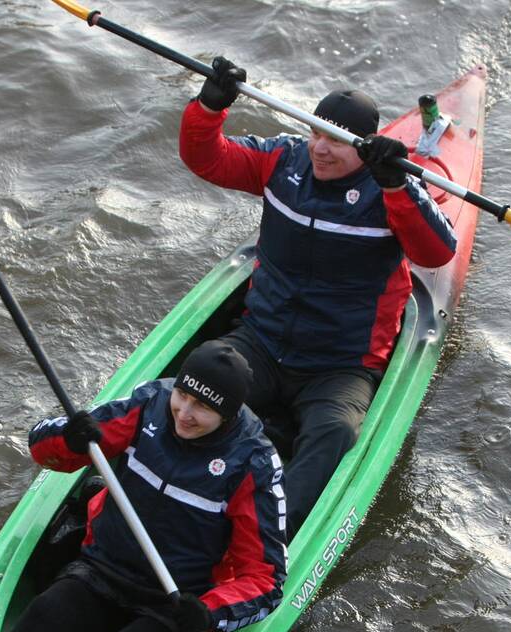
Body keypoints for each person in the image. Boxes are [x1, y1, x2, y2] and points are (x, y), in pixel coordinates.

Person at [178, 58, 458, 537]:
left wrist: (397, 183)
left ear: (363, 147)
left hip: (340, 365)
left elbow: (436, 252)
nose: (320, 150)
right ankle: (160, 483)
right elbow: (207, 159)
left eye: (335, 141)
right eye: (315, 134)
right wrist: (209, 106)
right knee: (198, 375)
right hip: (261, 344)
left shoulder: (389, 186)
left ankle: (267, 533)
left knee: (335, 433)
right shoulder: (283, 160)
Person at [0, 340, 287, 632]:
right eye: (182, 395)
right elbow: (43, 447)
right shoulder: (149, 403)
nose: (183, 413)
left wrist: (209, 613)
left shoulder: (253, 463)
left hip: (173, 601)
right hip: (103, 569)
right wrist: (68, 436)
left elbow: (267, 580)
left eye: (202, 407)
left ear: (228, 415)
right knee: (45, 612)